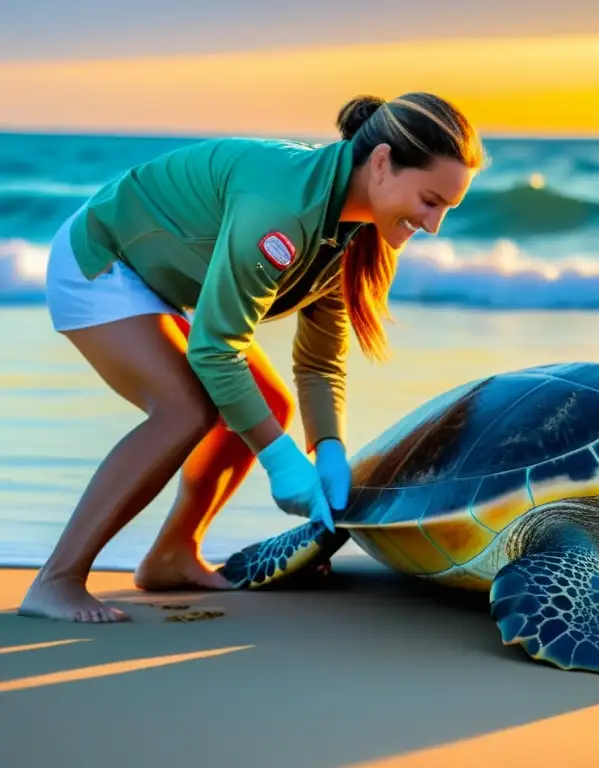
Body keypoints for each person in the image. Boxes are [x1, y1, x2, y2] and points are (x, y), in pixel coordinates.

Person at [19, 92, 486, 623]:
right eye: (430, 200)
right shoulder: (282, 212)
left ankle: (171, 555)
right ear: (381, 163)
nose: (434, 225)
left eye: (447, 208)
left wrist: (328, 449)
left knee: (266, 402)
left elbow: (320, 362)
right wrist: (281, 461)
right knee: (185, 411)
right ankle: (56, 580)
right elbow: (217, 348)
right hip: (102, 260)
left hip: (161, 278)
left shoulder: (351, 227)